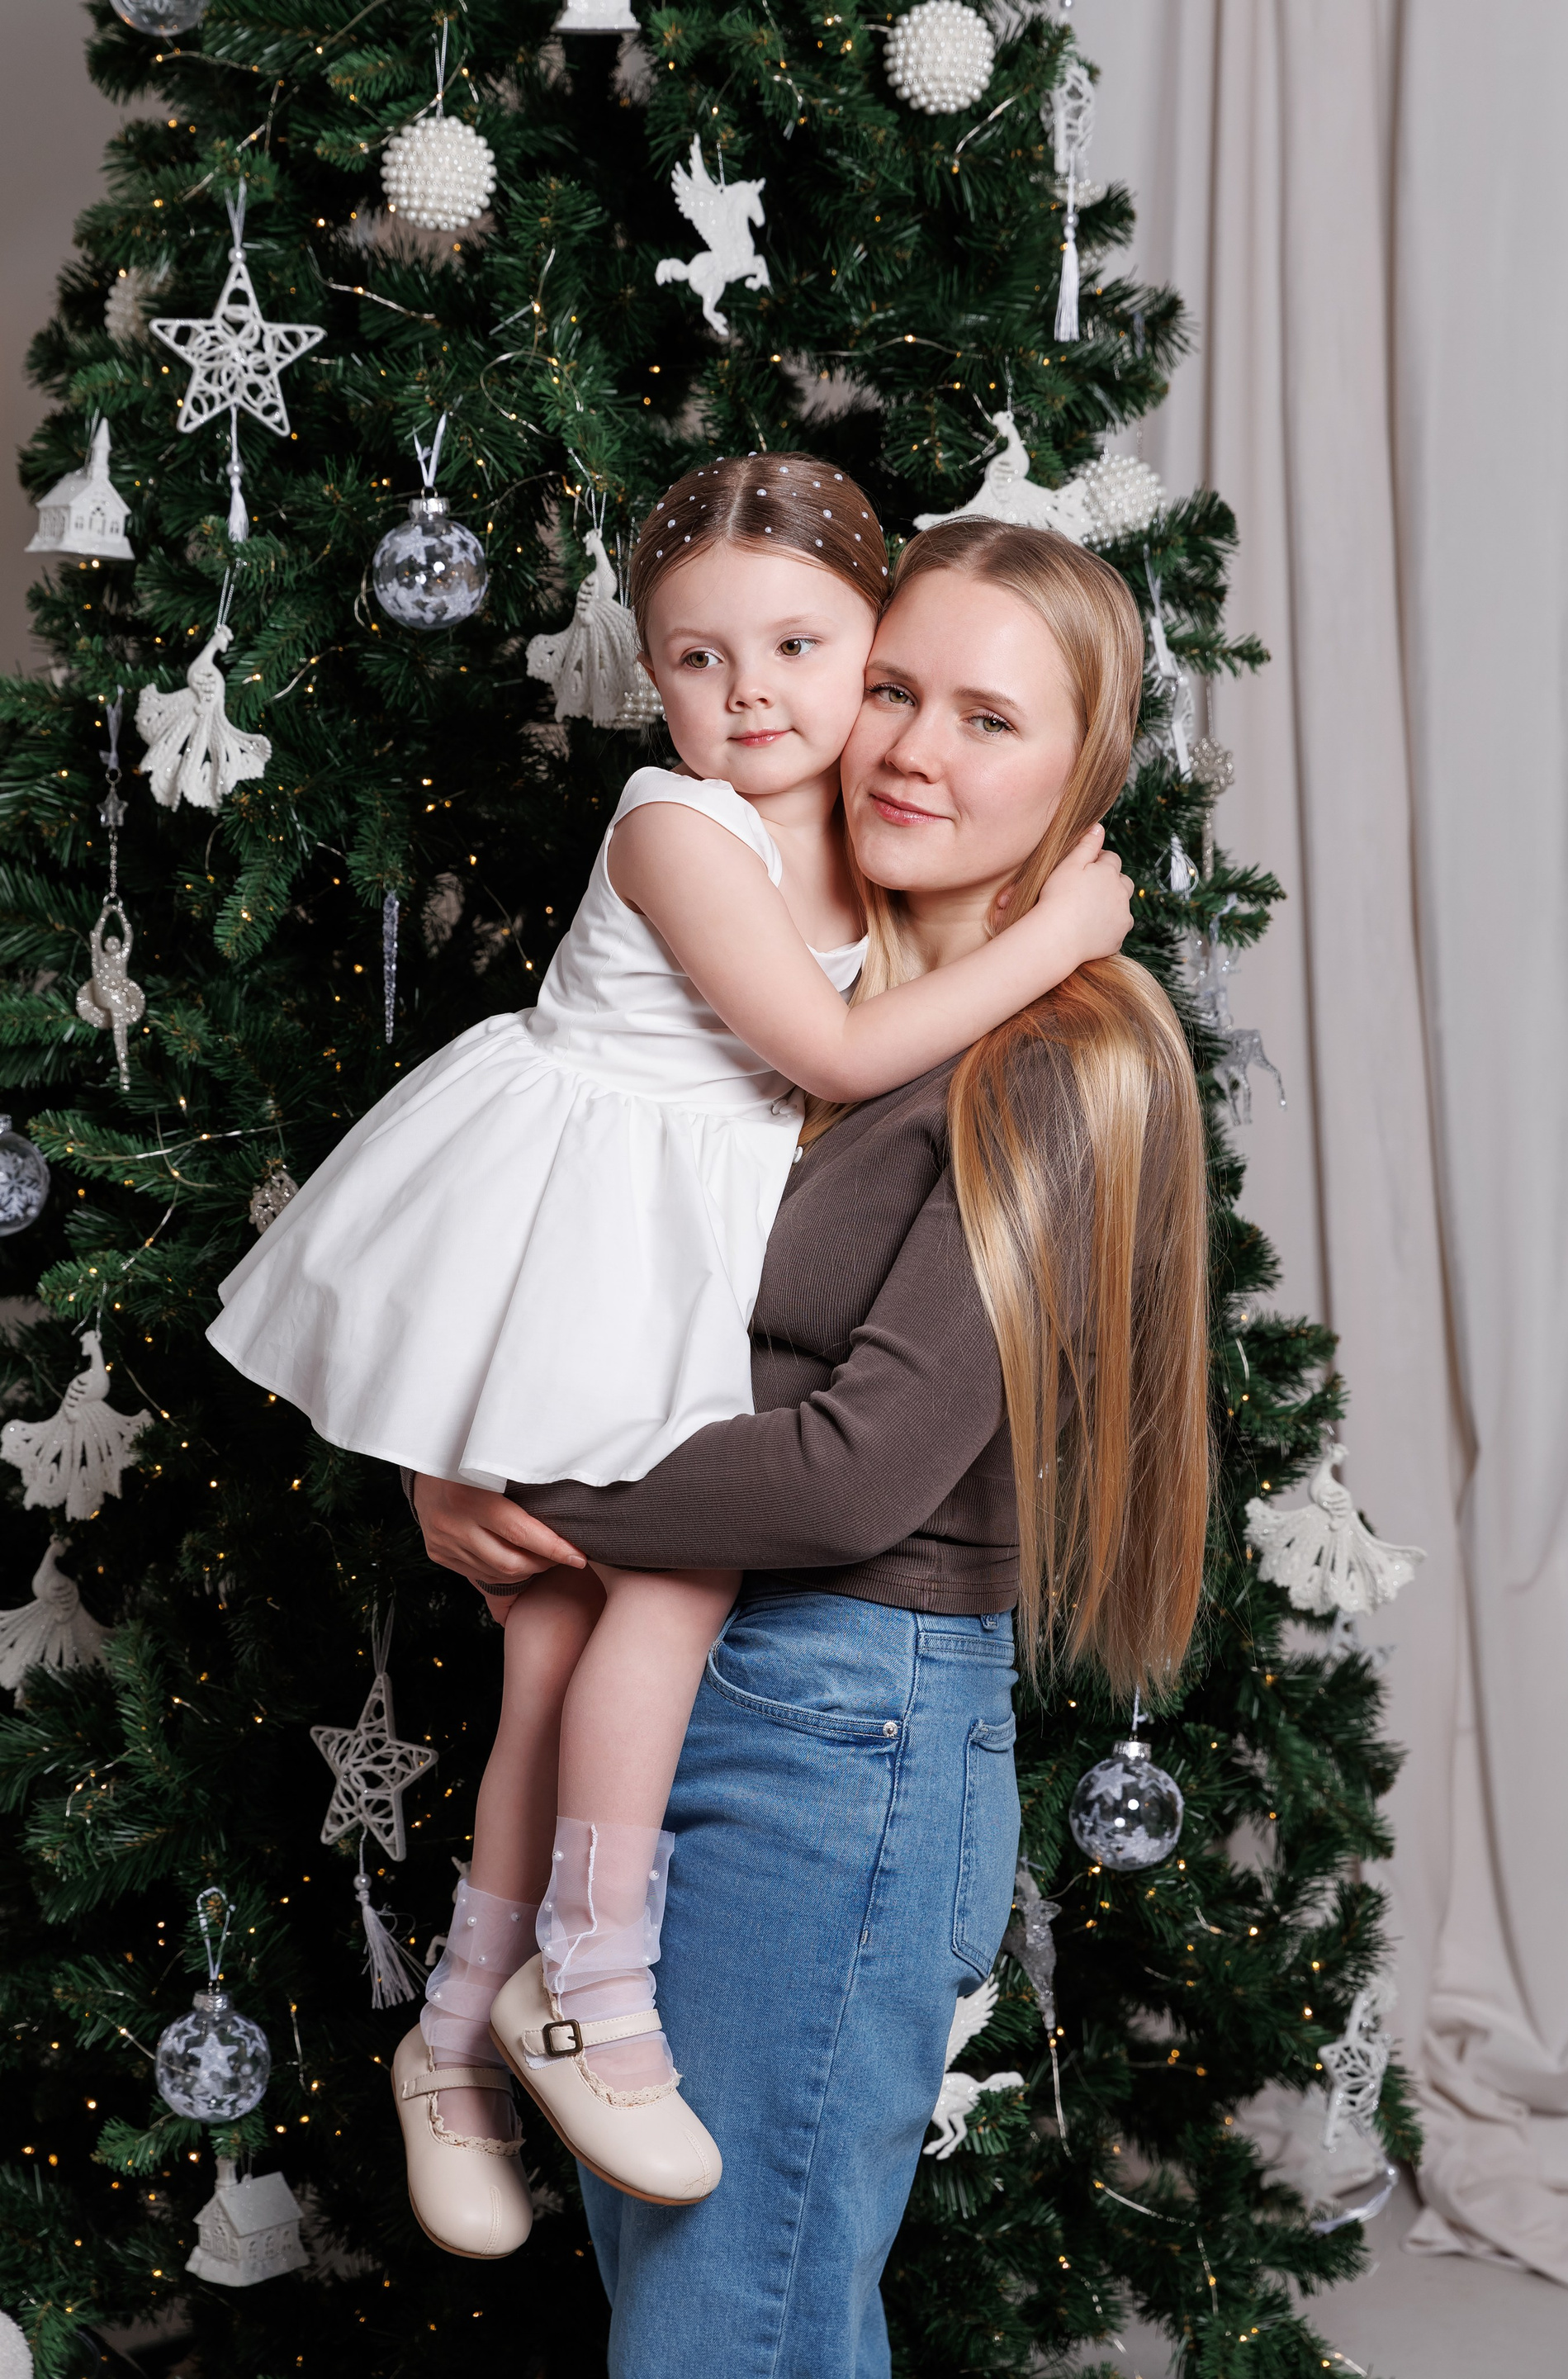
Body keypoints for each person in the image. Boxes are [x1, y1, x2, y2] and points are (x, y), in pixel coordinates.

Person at [204, 457, 1135, 2249]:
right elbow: (832, 1065)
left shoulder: (915, 914)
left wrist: (520, 1481)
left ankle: (497, 2013)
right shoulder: (689, 828)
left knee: (588, 1635)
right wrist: (1064, 936)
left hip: (690, 1324)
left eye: (807, 652)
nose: (763, 695)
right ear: (651, 670)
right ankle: (543, 2002)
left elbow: (852, 1436)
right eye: (702, 659)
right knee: (590, 1631)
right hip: (597, 1245)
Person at [414, 518, 1211, 2375]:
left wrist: (532, 1485)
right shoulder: (781, 1000)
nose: (914, 750)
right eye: (899, 690)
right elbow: (571, 1268)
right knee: (698, 2305)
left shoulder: (1057, 1059)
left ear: (1084, 768)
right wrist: (449, 1453)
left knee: (731, 2322)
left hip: (842, 1730)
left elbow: (856, 1465)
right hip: (668, 1691)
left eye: (990, 719)